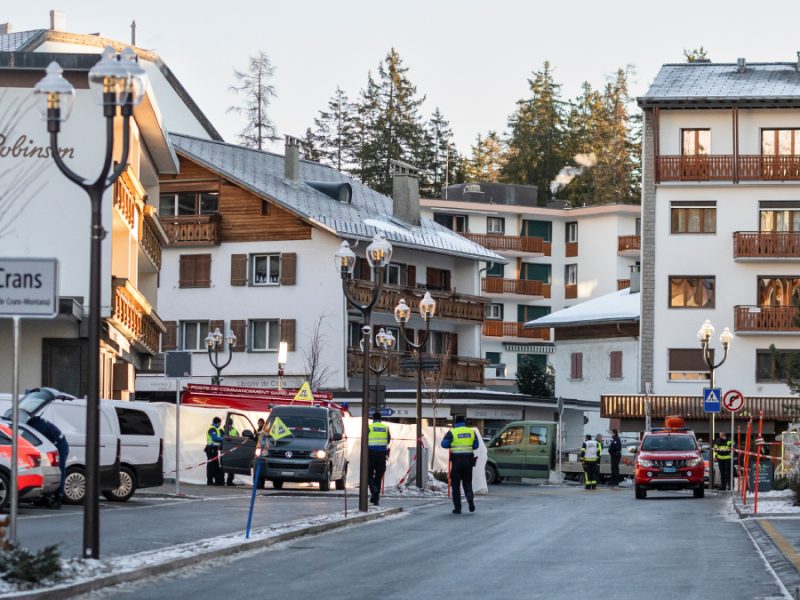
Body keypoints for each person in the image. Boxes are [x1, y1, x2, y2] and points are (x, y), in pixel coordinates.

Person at [26, 415, 69, 508]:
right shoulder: (37, 422)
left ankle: (58, 498)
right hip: (56, 443)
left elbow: (35, 440)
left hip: (60, 446)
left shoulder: (37, 426)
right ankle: (46, 497)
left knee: (58, 471)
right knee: (48, 470)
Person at [441, 415, 479, 514]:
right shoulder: (471, 432)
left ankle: (457, 508)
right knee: (467, 482)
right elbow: (476, 445)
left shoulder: (452, 432)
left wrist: (451, 444)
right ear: (464, 423)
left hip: (457, 461)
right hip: (468, 461)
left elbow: (444, 444)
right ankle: (470, 499)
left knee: (455, 485)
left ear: (455, 423)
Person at [367, 411, 391, 506]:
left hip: (371, 454)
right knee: (378, 477)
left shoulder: (369, 427)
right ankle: (375, 499)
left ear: (373, 419)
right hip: (382, 455)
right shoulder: (385, 428)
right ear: (380, 419)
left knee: (367, 475)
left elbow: (364, 440)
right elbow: (388, 440)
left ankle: (374, 490)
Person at [205, 416, 225, 486]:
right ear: (218, 422)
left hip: (215, 449)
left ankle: (216, 480)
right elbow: (215, 438)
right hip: (211, 449)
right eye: (220, 423)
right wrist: (223, 438)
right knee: (211, 465)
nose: (220, 424)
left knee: (215, 465)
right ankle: (209, 481)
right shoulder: (212, 429)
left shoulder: (216, 429)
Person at [223, 418, 239, 486]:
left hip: (232, 450)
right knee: (222, 466)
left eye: (230, 424)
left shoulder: (235, 430)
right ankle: (221, 480)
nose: (229, 426)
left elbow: (238, 438)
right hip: (224, 449)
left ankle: (230, 481)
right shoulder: (222, 430)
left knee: (232, 466)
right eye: (228, 424)